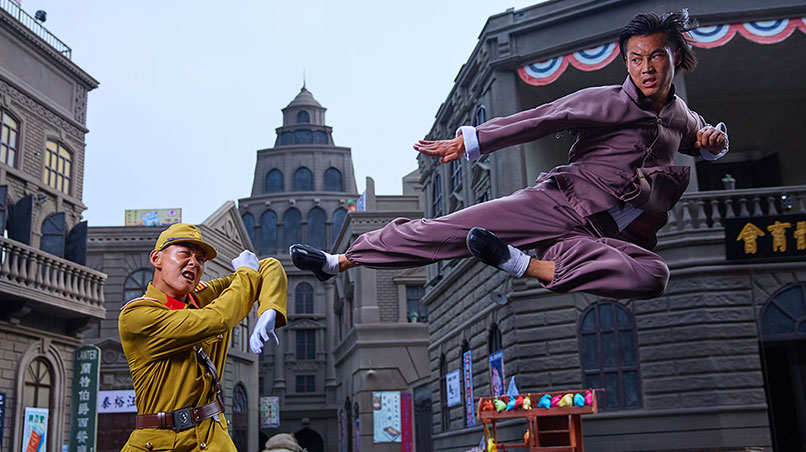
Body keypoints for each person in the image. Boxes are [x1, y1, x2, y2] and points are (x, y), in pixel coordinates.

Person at [291, 10, 728, 299]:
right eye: (635, 59)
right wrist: (472, 140)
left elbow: (698, 138)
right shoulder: (607, 101)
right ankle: (340, 260)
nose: (646, 68)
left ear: (675, 57)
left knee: (654, 275)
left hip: (602, 234)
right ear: (626, 62)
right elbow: (540, 119)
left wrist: (712, 144)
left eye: (656, 57)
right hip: (558, 204)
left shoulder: (682, 116)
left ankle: (526, 266)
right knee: (451, 230)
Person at [118, 223, 287, 452]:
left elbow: (267, 266)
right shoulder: (136, 316)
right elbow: (216, 319)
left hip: (214, 438)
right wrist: (246, 274)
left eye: (200, 259)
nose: (194, 263)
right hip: (160, 442)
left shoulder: (201, 297)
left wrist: (269, 307)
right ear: (156, 258)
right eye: (185, 254)